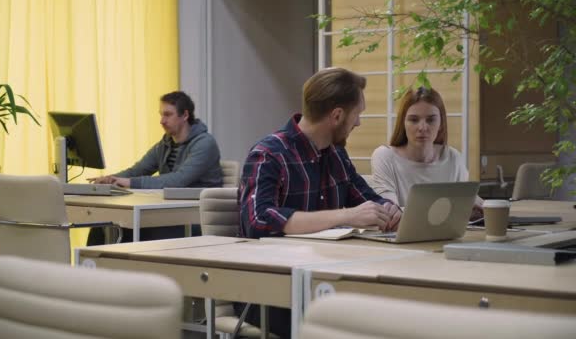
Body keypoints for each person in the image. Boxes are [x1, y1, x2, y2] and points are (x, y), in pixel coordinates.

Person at [237, 67, 402, 338]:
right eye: (357, 114)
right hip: (271, 290)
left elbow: (367, 200)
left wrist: (390, 211)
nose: (358, 123)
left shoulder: (337, 155)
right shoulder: (268, 154)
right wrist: (345, 216)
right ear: (337, 115)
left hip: (328, 281)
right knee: (357, 322)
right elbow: (259, 220)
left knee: (388, 311)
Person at [87, 91, 223, 243]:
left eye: (167, 114)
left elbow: (177, 180)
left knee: (131, 227)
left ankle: (120, 266)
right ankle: (90, 266)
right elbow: (137, 170)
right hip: (171, 212)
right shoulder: (165, 144)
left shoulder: (205, 144)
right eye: (161, 115)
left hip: (195, 216)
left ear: (185, 115)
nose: (162, 121)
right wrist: (110, 179)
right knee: (103, 224)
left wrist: (130, 182)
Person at [370, 86, 483, 215]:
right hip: (401, 234)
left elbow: (466, 204)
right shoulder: (385, 157)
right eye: (414, 120)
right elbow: (390, 212)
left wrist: (475, 206)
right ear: (403, 123)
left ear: (441, 123)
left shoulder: (453, 157)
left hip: (449, 234)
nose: (422, 127)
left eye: (431, 120)